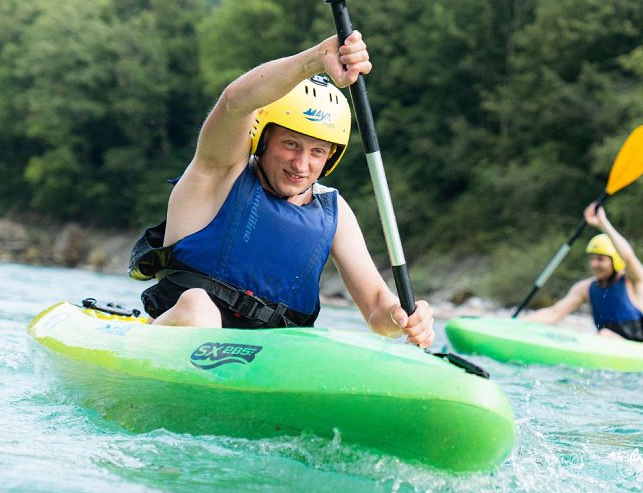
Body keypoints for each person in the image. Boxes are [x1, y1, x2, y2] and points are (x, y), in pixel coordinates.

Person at [128, 32, 434, 348]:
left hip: (267, 363)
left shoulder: (334, 212)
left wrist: (401, 317)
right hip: (173, 339)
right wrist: (316, 59)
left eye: (317, 151)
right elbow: (235, 102)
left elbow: (376, 308)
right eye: (291, 144)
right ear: (264, 139)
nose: (301, 164)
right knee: (197, 304)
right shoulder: (218, 172)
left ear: (331, 155)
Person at [526, 203, 643, 341]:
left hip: (640, 348)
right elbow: (553, 314)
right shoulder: (585, 288)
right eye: (592, 259)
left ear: (616, 261)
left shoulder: (634, 280)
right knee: (602, 335)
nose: (594, 264)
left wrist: (603, 224)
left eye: (600, 259)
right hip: (604, 343)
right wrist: (516, 324)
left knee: (604, 335)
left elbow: (628, 257)